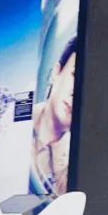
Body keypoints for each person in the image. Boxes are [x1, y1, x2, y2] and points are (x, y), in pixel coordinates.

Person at [31, 37, 76, 197]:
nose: (75, 92)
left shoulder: (75, 162)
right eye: (74, 75)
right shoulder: (14, 129)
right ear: (56, 72)